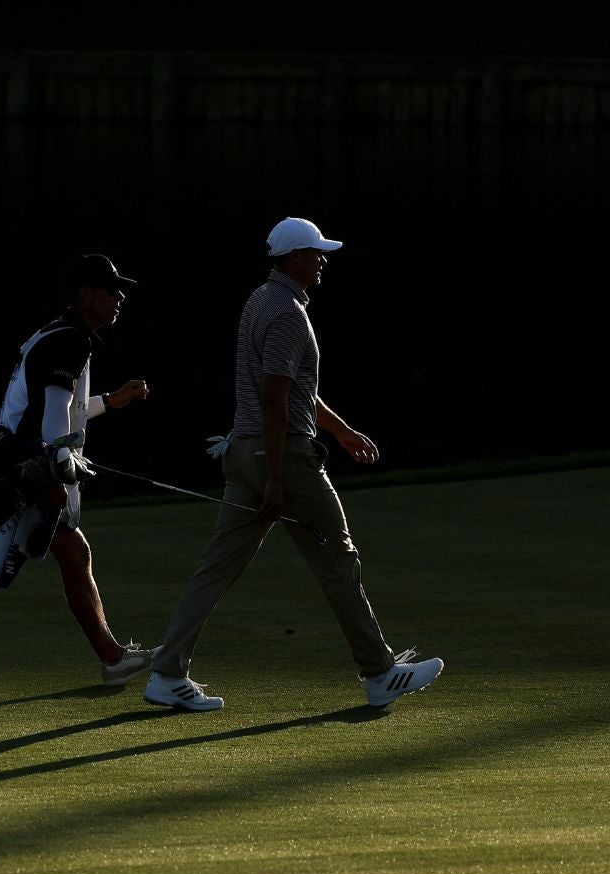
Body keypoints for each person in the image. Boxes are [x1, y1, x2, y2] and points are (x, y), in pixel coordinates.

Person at [141, 217, 443, 712]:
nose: (323, 260)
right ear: (294, 257)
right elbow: (275, 400)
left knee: (216, 568)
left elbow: (295, 389)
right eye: (316, 252)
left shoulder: (262, 300)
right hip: (280, 457)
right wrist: (278, 480)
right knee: (338, 561)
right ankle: (379, 671)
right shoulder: (286, 312)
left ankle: (167, 673)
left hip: (244, 452)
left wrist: (342, 432)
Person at [0, 253, 158, 695]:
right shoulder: (71, 340)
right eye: (111, 290)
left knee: (68, 553)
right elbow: (55, 412)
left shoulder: (59, 334)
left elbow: (62, 408)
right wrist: (57, 466)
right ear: (85, 294)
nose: (119, 298)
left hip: (19, 464)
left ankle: (112, 658)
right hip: (25, 473)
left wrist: (111, 401)